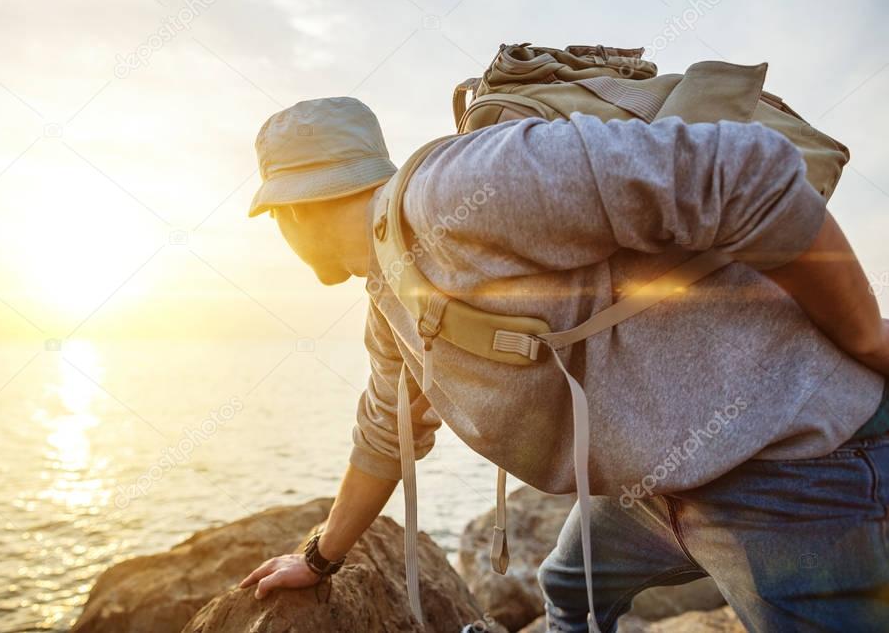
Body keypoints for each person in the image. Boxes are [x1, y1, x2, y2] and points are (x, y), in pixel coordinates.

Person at [237, 96, 889, 632]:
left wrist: (864, 338)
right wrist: (319, 560)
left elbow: (745, 173)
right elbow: (384, 437)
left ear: (291, 209)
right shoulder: (391, 297)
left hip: (790, 463)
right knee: (568, 587)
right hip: (655, 488)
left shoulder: (457, 188)